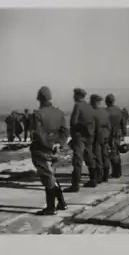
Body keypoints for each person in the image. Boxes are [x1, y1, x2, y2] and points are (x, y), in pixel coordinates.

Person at [29, 86, 69, 215]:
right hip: (56, 149)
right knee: (51, 176)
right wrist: (59, 143)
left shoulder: (37, 114)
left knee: (48, 179)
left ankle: (51, 208)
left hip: (42, 149)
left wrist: (49, 145)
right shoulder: (60, 112)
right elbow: (65, 131)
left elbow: (38, 134)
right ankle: (62, 203)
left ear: (39, 99)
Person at [65, 87, 97, 193]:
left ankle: (75, 185)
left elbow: (74, 121)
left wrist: (73, 135)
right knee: (89, 158)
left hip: (79, 136)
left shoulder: (78, 105)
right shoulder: (89, 107)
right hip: (89, 136)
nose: (73, 97)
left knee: (77, 160)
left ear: (78, 96)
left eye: (75, 95)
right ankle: (93, 180)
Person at [90, 94, 111, 184]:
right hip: (105, 135)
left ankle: (98, 176)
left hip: (96, 136)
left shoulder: (92, 112)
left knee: (98, 156)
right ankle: (106, 175)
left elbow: (92, 127)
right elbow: (109, 126)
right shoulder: (105, 112)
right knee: (105, 155)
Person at [105, 94, 126, 178]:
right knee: (116, 153)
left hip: (108, 134)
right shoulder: (119, 111)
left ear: (106, 101)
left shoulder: (105, 111)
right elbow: (123, 123)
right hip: (117, 134)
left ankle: (113, 173)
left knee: (108, 154)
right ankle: (118, 172)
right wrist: (124, 134)